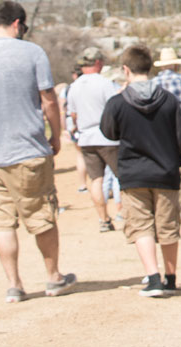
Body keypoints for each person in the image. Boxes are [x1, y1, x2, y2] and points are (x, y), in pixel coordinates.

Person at [0, 0, 76, 303]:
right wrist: (56, 135)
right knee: (41, 217)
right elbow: (48, 98)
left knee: (0, 222)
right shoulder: (32, 52)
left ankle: (14, 285)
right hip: (27, 149)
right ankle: (53, 277)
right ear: (18, 24)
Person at [100, 45, 181, 298]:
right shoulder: (169, 100)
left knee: (141, 227)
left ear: (126, 70)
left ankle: (153, 278)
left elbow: (108, 132)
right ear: (150, 67)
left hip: (133, 173)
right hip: (166, 172)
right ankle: (171, 279)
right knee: (168, 226)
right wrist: (178, 164)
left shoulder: (117, 102)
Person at [67, 47, 121, 232]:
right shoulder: (104, 83)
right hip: (107, 137)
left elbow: (72, 114)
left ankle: (103, 219)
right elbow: (115, 108)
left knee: (96, 179)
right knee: (121, 176)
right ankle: (127, 213)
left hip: (86, 138)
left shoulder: (74, 86)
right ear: (98, 63)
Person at [150, 47, 181, 220]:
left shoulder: (153, 83)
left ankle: (166, 207)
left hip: (160, 134)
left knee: (164, 169)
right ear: (175, 65)